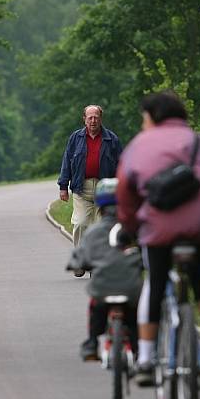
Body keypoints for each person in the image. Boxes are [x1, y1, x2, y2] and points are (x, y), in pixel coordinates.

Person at [116, 91, 200, 383]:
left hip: (158, 229)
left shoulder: (138, 145)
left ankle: (144, 359)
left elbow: (125, 195)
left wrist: (130, 229)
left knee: (155, 282)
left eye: (144, 118)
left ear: (153, 117)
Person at [66, 178, 142, 360]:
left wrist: (78, 265)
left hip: (103, 289)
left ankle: (92, 343)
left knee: (95, 305)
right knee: (136, 317)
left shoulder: (94, 232)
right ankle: (141, 351)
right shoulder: (135, 229)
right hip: (132, 290)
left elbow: (78, 258)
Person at [58, 105, 123, 277]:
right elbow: (67, 161)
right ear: (84, 119)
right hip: (82, 187)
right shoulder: (76, 138)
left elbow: (121, 165)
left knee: (101, 228)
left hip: (105, 189)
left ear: (101, 119)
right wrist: (63, 186)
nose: (93, 121)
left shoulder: (112, 139)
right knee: (80, 223)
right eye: (90, 117)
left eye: (96, 117)